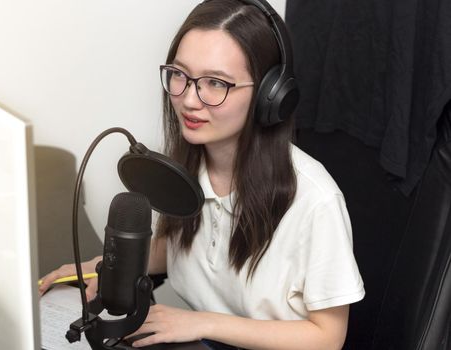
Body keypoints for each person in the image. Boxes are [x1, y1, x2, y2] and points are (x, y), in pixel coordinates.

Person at [39, 1, 365, 349]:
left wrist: (202, 323)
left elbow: (328, 338)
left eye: (215, 83)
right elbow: (183, 248)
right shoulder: (189, 167)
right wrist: (106, 266)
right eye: (180, 74)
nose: (190, 100)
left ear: (269, 96)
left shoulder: (315, 201)